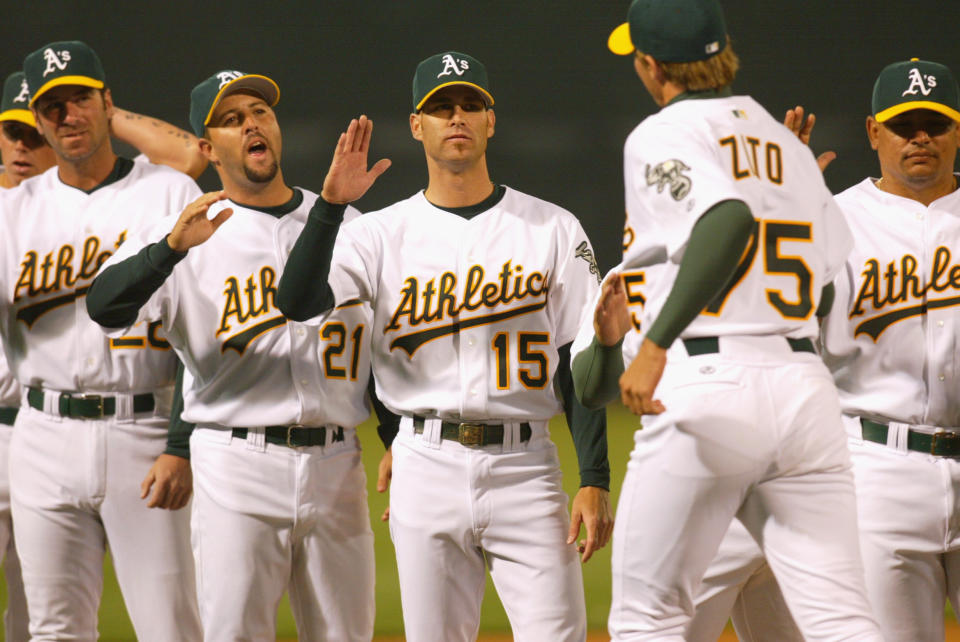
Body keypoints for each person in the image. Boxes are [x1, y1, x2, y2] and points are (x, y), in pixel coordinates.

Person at [276, 51, 613, 642]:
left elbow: (573, 360)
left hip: (526, 466)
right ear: (416, 125)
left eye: (469, 105)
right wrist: (329, 208)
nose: (456, 117)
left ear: (490, 120)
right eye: (440, 107)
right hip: (423, 462)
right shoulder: (377, 233)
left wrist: (594, 475)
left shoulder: (553, 227)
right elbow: (297, 301)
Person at [572, 0, 884, 639]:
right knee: (842, 620)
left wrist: (654, 343)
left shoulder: (662, 133)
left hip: (709, 380)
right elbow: (826, 291)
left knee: (647, 617)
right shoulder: (782, 141)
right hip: (803, 389)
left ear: (653, 65)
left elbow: (727, 220)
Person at [87, 69, 400, 642]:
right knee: (235, 633)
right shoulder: (183, 232)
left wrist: (396, 438)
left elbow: (378, 346)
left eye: (260, 111)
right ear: (207, 149)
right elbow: (104, 306)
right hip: (235, 463)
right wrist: (168, 251)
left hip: (338, 462)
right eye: (231, 120)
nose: (251, 123)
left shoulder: (346, 223)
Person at [689, 58, 960, 642]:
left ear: (957, 131)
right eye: (902, 124)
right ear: (872, 132)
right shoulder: (833, 217)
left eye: (934, 124)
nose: (919, 138)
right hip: (878, 468)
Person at [0, 41, 203, 639]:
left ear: (107, 103)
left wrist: (182, 444)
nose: (67, 116)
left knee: (170, 625)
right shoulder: (13, 211)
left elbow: (206, 330)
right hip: (40, 432)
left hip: (143, 428)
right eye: (52, 106)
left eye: (80, 99)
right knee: (53, 629)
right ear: (38, 119)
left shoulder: (167, 193)